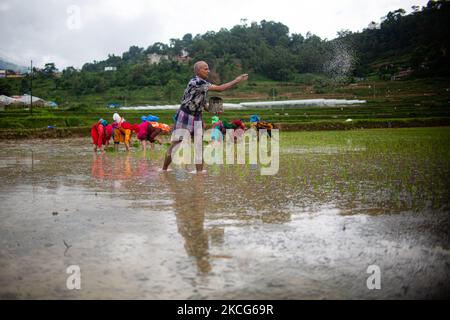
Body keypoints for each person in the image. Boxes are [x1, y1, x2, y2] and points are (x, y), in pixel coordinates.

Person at [162, 61, 248, 172]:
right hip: (185, 115)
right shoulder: (196, 82)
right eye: (205, 69)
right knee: (175, 145)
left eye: (208, 68)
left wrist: (213, 110)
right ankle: (164, 169)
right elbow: (220, 88)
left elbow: (203, 104)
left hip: (197, 117)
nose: (208, 71)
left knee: (199, 147)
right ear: (198, 71)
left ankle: (199, 173)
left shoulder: (203, 84)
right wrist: (237, 80)